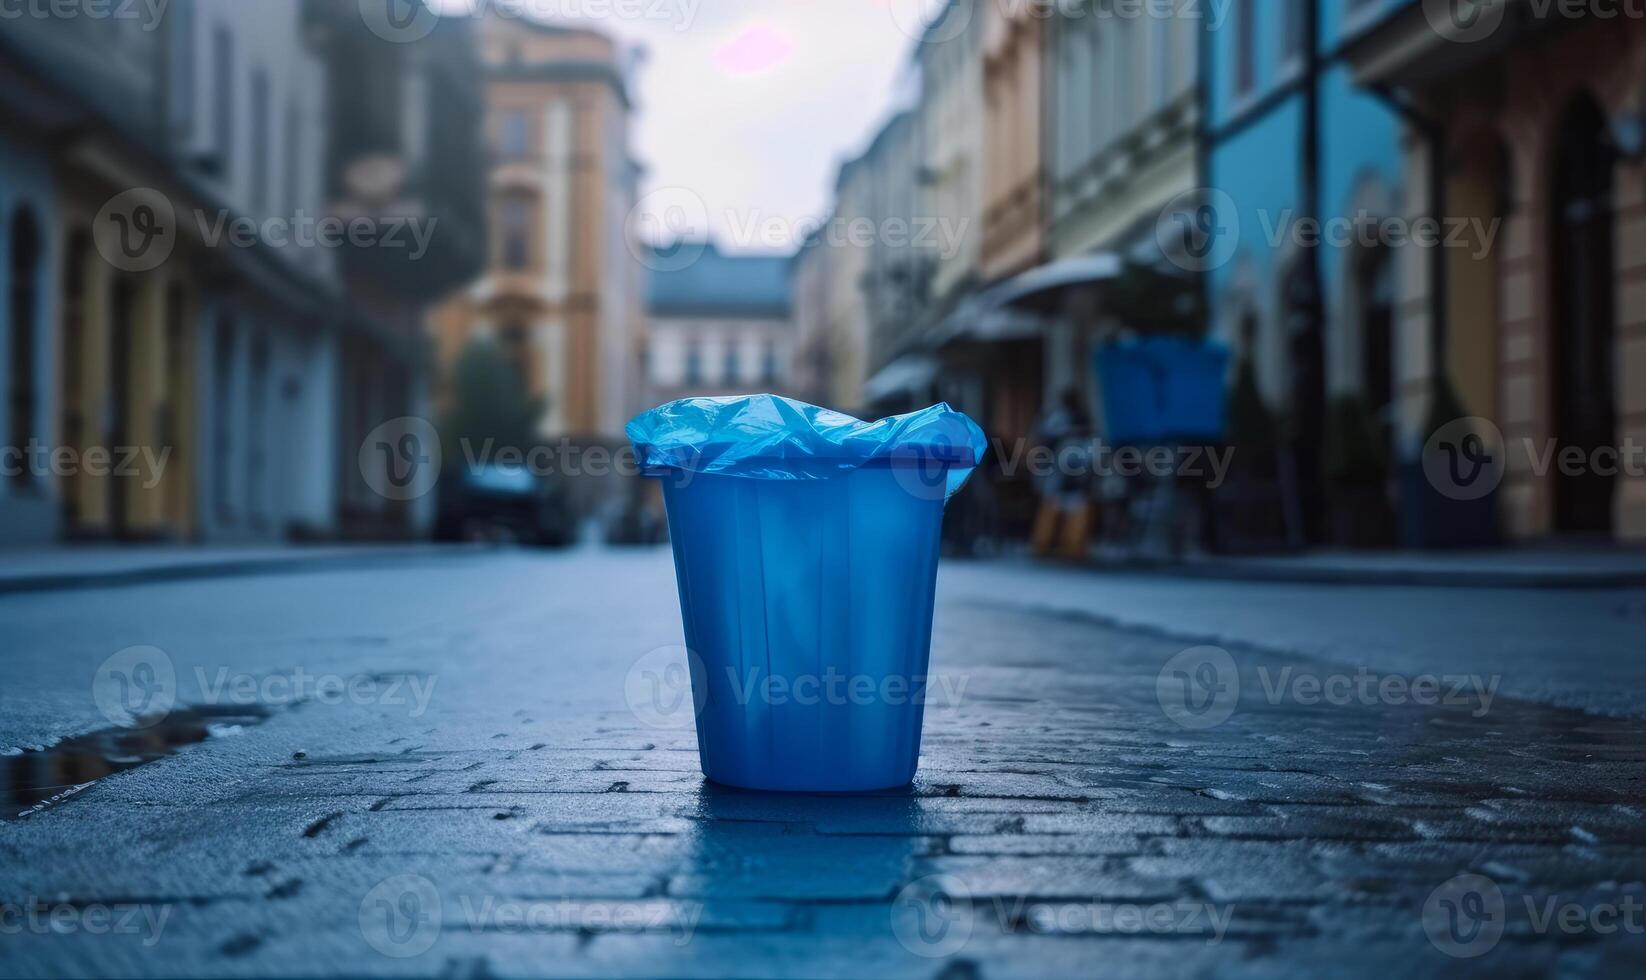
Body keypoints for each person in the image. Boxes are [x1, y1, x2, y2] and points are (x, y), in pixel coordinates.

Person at [1029, 388, 1094, 559]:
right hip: (1059, 471)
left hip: (1074, 472)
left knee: (1074, 509)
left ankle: (1072, 547)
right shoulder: (1058, 419)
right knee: (1054, 507)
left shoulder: (1079, 423)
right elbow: (1044, 439)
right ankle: (1045, 545)